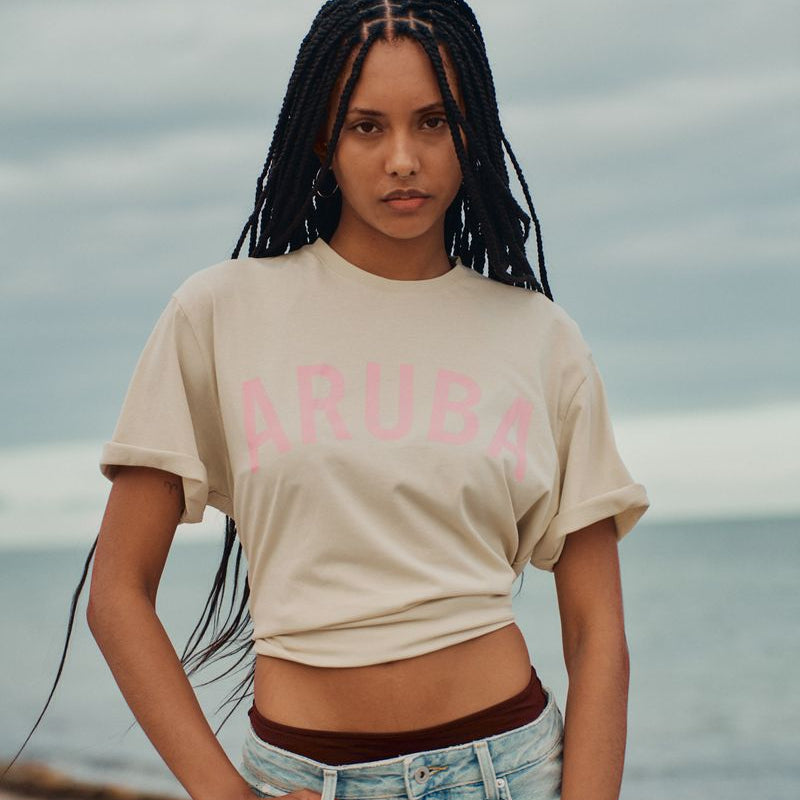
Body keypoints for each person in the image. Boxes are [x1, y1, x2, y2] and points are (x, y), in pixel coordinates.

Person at [6, 2, 650, 799]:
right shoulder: (218, 314)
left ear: (471, 130)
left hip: (510, 770)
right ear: (324, 138)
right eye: (367, 127)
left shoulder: (542, 340)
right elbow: (118, 593)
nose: (403, 159)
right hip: (301, 780)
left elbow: (596, 636)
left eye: (433, 123)